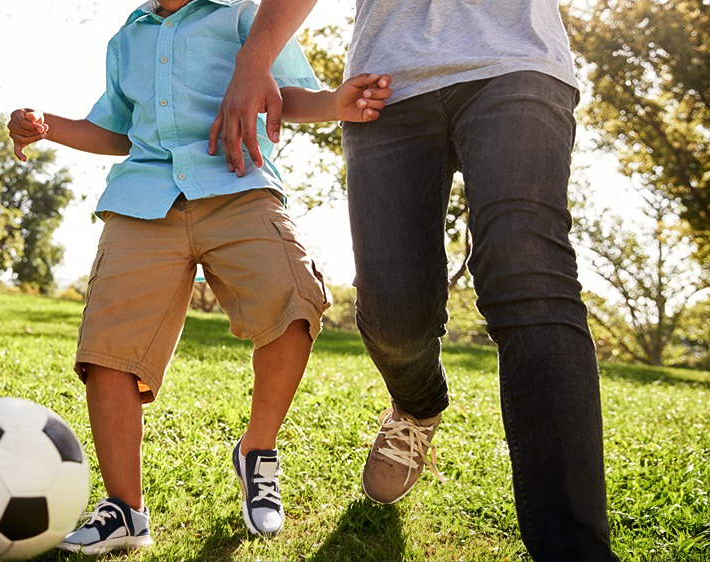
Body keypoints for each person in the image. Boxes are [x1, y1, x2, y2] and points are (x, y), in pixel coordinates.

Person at [210, 1, 618, 560]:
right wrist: (253, 63)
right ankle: (417, 403)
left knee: (530, 272)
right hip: (389, 84)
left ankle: (574, 550)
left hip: (517, 60)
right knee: (393, 315)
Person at [7, 0, 392, 554]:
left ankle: (257, 450)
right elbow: (117, 131)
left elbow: (285, 96)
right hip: (143, 200)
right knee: (110, 349)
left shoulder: (244, 17)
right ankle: (124, 510)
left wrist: (337, 103)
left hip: (237, 184)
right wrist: (48, 128)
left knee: (294, 297)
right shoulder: (127, 40)